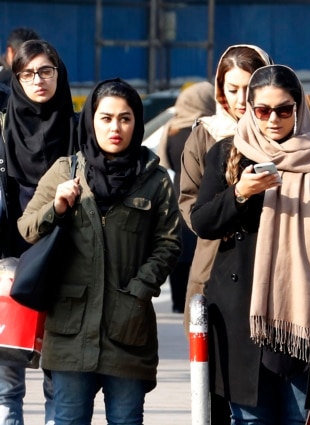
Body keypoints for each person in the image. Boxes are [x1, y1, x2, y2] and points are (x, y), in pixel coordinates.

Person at [190, 64, 310, 423]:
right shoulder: (228, 154)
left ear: (299, 108)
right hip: (242, 316)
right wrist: (239, 194)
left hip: (307, 315)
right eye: (263, 110)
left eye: (284, 110)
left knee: (300, 415)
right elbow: (203, 222)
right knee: (250, 419)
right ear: (250, 109)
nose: (273, 119)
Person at [17, 78, 182, 424]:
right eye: (105, 118)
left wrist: (138, 291)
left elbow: (168, 243)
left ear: (136, 121)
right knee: (67, 419)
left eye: (125, 118)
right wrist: (57, 207)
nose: (115, 128)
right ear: (91, 120)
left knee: (126, 419)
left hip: (128, 331)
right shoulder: (66, 171)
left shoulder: (154, 180)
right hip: (70, 331)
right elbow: (27, 228)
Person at [178, 44, 272, 423]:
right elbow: (189, 206)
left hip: (267, 273)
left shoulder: (284, 129)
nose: (239, 99)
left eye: (248, 88)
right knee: (215, 392)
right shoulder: (207, 134)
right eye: (230, 89)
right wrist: (229, 207)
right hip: (214, 266)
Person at [1, 39, 76, 425]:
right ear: (16, 79)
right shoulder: (2, 133)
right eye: (28, 73)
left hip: (65, 265)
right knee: (6, 384)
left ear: (59, 75)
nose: (38, 80)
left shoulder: (78, 132)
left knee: (58, 383)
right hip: (9, 266)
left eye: (47, 71)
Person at [157, 80, 214, 313]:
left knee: (179, 250)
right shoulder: (203, 130)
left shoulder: (171, 130)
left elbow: (166, 162)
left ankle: (178, 302)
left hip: (177, 194)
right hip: (201, 194)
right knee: (196, 251)